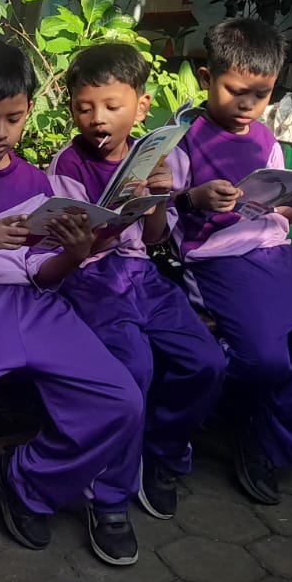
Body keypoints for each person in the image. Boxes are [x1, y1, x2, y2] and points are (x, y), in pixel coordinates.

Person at [0, 39, 145, 566]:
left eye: (13, 119)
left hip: (35, 305)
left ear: (28, 112)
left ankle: (27, 480)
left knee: (121, 400)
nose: (0, 132)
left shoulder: (36, 181)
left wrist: (75, 253)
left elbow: (42, 270)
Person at [166, 17, 292, 505]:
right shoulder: (182, 140)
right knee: (263, 358)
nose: (247, 105)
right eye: (235, 91)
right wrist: (193, 198)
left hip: (278, 253)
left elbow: (272, 208)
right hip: (219, 261)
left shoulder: (266, 140)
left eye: (260, 95)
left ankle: (271, 435)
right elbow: (158, 218)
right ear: (206, 78)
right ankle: (237, 425)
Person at [48, 44, 227, 520]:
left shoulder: (149, 156)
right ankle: (108, 494)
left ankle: (161, 452)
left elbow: (152, 239)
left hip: (141, 273)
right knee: (134, 367)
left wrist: (160, 196)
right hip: (89, 277)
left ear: (142, 106)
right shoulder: (68, 165)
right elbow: (75, 247)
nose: (97, 120)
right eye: (84, 108)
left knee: (206, 361)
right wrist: (111, 222)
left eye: (112, 106)